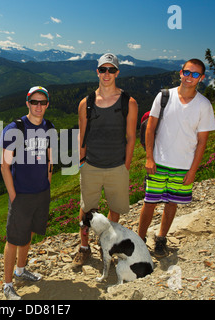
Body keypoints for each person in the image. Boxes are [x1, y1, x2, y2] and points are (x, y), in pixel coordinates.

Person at [138, 58, 215, 257]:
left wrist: (192, 171)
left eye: (195, 74)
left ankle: (161, 238)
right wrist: (149, 157)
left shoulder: (204, 105)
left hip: (183, 165)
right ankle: (139, 240)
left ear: (202, 78)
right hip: (158, 161)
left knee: (171, 203)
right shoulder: (164, 96)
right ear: (180, 73)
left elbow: (202, 142)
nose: (190, 77)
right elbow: (151, 127)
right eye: (187, 72)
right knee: (150, 202)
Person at [73, 53, 138, 266]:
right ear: (97, 72)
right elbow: (82, 135)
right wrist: (82, 162)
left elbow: (131, 137)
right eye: (103, 69)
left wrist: (126, 166)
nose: (107, 74)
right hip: (91, 164)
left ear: (117, 72)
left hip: (117, 165)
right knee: (86, 209)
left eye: (111, 69)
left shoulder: (129, 102)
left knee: (114, 207)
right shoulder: (86, 103)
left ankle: (107, 244)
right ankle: (84, 247)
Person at [0, 86, 54, 300]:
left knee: (29, 232)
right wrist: (14, 196)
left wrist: (47, 182)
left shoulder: (49, 127)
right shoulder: (15, 128)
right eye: (34, 102)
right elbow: (4, 166)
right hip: (21, 194)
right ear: (27, 103)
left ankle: (21, 270)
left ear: (47, 104)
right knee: (13, 239)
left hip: (41, 192)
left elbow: (50, 159)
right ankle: (7, 285)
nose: (38, 106)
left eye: (42, 102)